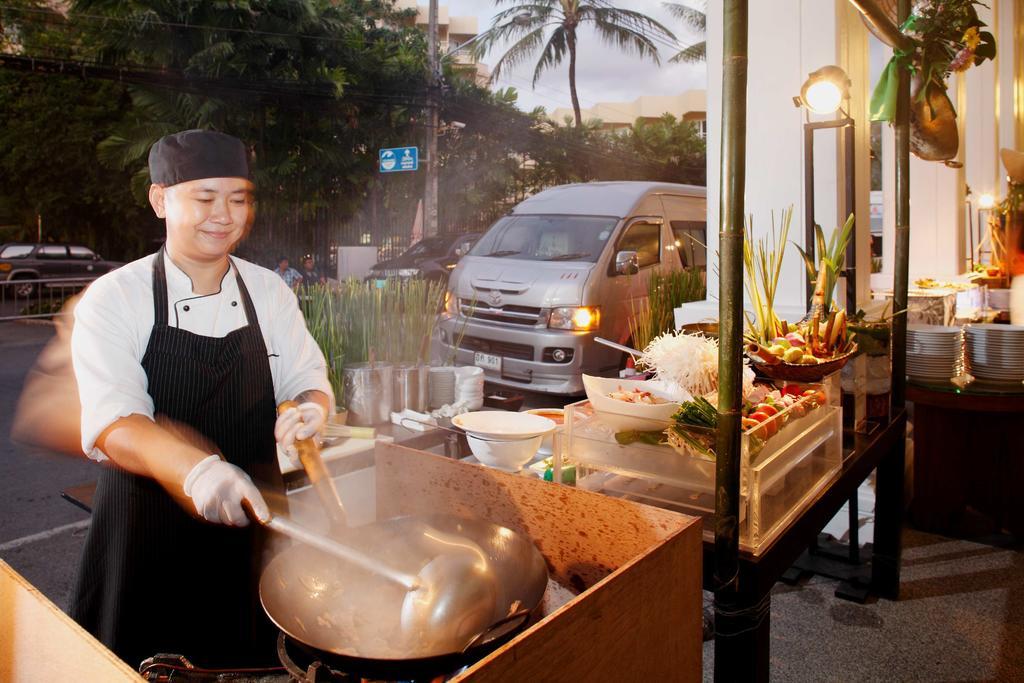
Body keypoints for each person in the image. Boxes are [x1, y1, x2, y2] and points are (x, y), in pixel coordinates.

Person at [67, 129, 333, 669]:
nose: (224, 214)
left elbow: (305, 377)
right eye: (205, 197)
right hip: (146, 535)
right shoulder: (117, 296)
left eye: (238, 199)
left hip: (252, 531)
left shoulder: (268, 290)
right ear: (160, 199)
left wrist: (309, 409)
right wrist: (196, 471)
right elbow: (114, 421)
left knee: (250, 665)